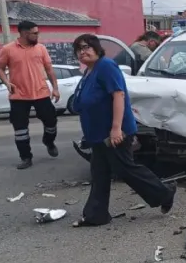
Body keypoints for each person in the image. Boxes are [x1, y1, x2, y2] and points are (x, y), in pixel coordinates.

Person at [69, 34, 176, 227]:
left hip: (114, 132)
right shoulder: (89, 71)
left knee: (125, 168)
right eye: (78, 49)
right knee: (99, 172)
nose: (82, 52)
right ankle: (96, 215)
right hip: (97, 134)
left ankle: (164, 193)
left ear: (97, 48)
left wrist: (116, 128)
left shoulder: (106, 66)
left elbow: (118, 95)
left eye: (86, 47)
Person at [0, 21, 60, 169]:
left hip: (41, 93)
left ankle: (49, 141)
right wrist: (7, 82)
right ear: (25, 33)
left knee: (51, 122)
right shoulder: (8, 49)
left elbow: (49, 70)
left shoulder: (41, 48)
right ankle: (26, 157)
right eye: (35, 33)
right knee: (20, 130)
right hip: (18, 96)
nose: (38, 35)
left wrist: (55, 88)